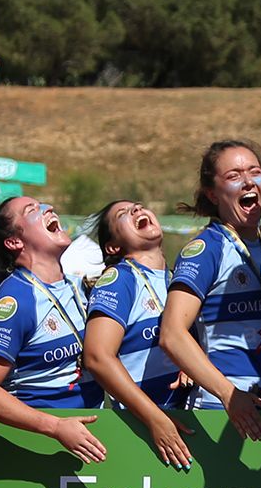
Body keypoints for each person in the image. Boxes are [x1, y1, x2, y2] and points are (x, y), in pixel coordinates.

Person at [160, 137, 261, 440]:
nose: (248, 182)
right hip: (222, 412)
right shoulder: (205, 249)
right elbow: (171, 334)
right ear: (212, 193)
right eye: (234, 176)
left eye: (255, 171)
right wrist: (229, 394)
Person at [0, 198, 105, 461]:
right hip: (42, 448)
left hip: (90, 439)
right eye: (32, 210)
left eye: (44, 205)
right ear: (14, 242)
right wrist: (55, 427)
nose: (47, 208)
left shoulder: (79, 287)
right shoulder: (16, 298)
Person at [81, 199, 193, 469]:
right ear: (113, 247)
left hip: (187, 423)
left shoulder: (178, 279)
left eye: (139, 205)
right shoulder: (120, 278)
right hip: (147, 434)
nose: (136, 210)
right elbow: (97, 357)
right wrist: (155, 419)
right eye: (123, 213)